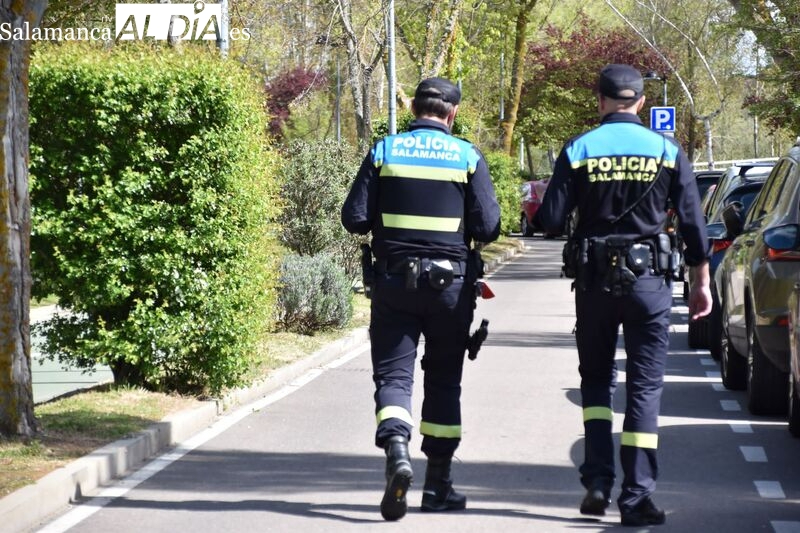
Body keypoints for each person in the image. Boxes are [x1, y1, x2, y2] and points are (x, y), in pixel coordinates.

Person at [537, 64, 712, 527]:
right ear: (641, 103)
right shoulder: (667, 150)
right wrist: (700, 282)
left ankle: (597, 480)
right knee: (645, 388)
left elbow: (550, 219)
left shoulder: (578, 149)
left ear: (600, 101)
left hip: (594, 284)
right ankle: (636, 498)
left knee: (596, 384)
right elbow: (694, 226)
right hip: (649, 283)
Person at [341, 77, 501, 521]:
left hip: (394, 283)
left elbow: (354, 219)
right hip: (450, 290)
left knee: (394, 377)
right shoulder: (467, 156)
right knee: (445, 379)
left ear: (413, 108)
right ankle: (439, 486)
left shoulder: (384, 151)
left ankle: (396, 449)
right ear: (451, 114)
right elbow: (488, 228)